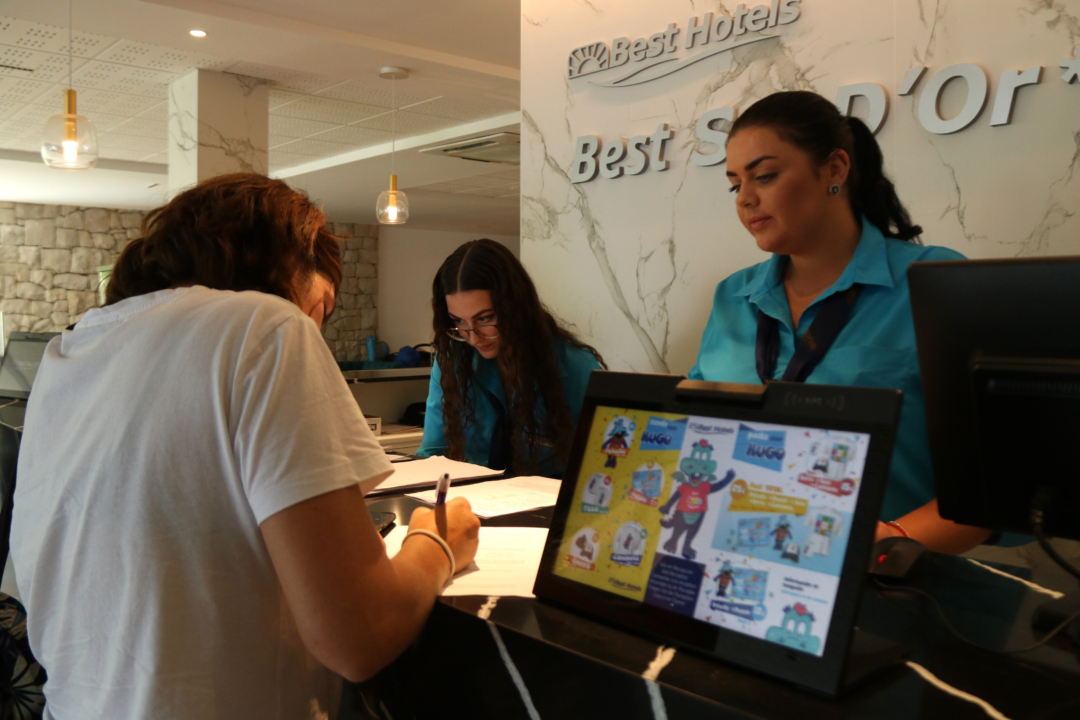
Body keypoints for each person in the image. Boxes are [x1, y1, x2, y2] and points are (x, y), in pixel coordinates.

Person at [10, 173, 480, 719]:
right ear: (290, 267)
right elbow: (360, 636)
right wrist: (438, 542)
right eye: (320, 310)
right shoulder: (266, 324)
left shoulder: (72, 348)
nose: (315, 331)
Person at [688, 91, 992, 554]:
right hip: (742, 562)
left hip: (893, 585)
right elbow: (696, 427)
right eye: (735, 185)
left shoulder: (933, 283)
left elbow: (996, 478)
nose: (746, 200)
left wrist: (883, 546)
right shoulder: (733, 295)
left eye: (764, 176)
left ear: (835, 169)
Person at [417, 239, 605, 478]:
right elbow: (432, 453)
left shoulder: (577, 367)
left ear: (514, 307)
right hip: (473, 502)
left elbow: (604, 469)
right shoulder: (453, 360)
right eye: (459, 322)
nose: (473, 339)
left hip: (548, 508)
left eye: (485, 319)